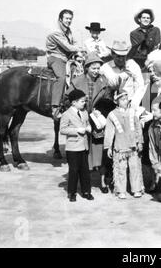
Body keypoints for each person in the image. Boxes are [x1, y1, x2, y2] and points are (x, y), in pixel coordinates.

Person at [66, 52, 110, 192]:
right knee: (84, 151)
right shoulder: (77, 81)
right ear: (87, 68)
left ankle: (103, 181)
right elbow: (68, 99)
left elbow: (108, 100)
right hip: (82, 120)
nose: (96, 71)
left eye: (98, 68)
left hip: (98, 121)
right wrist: (78, 111)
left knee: (100, 150)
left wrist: (100, 111)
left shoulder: (104, 81)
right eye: (93, 68)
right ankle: (85, 181)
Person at [103, 90, 144, 199]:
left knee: (134, 167)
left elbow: (138, 127)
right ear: (117, 101)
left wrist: (140, 141)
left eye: (126, 99)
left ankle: (136, 189)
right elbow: (109, 132)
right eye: (122, 100)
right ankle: (121, 190)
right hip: (120, 147)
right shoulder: (112, 115)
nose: (125, 101)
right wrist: (108, 147)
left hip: (132, 146)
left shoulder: (133, 112)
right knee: (121, 169)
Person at [46, 9, 84, 120]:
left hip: (66, 58)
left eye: (70, 19)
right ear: (60, 19)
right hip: (56, 58)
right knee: (61, 77)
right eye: (66, 18)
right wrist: (81, 49)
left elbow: (74, 43)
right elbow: (68, 46)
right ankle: (55, 107)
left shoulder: (68, 31)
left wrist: (79, 53)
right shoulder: (56, 31)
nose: (69, 21)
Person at [59, 89, 94, 202]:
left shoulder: (84, 112)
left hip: (83, 146)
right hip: (73, 147)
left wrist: (89, 127)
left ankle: (86, 191)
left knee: (85, 170)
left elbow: (87, 123)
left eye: (84, 101)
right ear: (74, 102)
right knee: (74, 170)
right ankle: (72, 192)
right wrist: (76, 130)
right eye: (82, 101)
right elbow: (63, 130)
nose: (84, 103)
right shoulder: (66, 114)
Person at [99, 40, 144, 107]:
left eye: (123, 56)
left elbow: (140, 85)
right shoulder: (105, 68)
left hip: (130, 103)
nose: (121, 59)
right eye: (118, 56)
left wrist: (134, 103)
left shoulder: (133, 65)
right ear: (112, 54)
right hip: (110, 104)